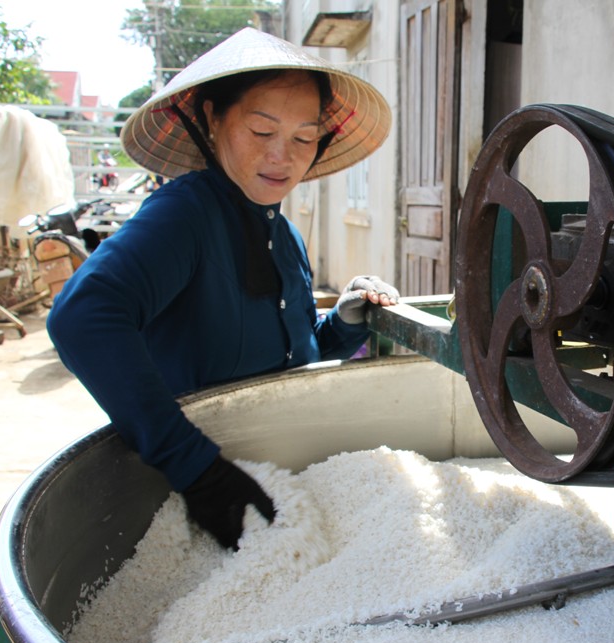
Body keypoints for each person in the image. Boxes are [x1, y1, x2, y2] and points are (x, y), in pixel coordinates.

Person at [47, 28, 398, 550]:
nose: (283, 156)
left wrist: (344, 324)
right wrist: (195, 468)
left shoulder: (285, 234)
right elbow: (81, 317)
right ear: (213, 119)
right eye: (261, 131)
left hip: (280, 477)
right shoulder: (183, 215)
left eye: (304, 138)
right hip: (201, 499)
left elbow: (290, 354)